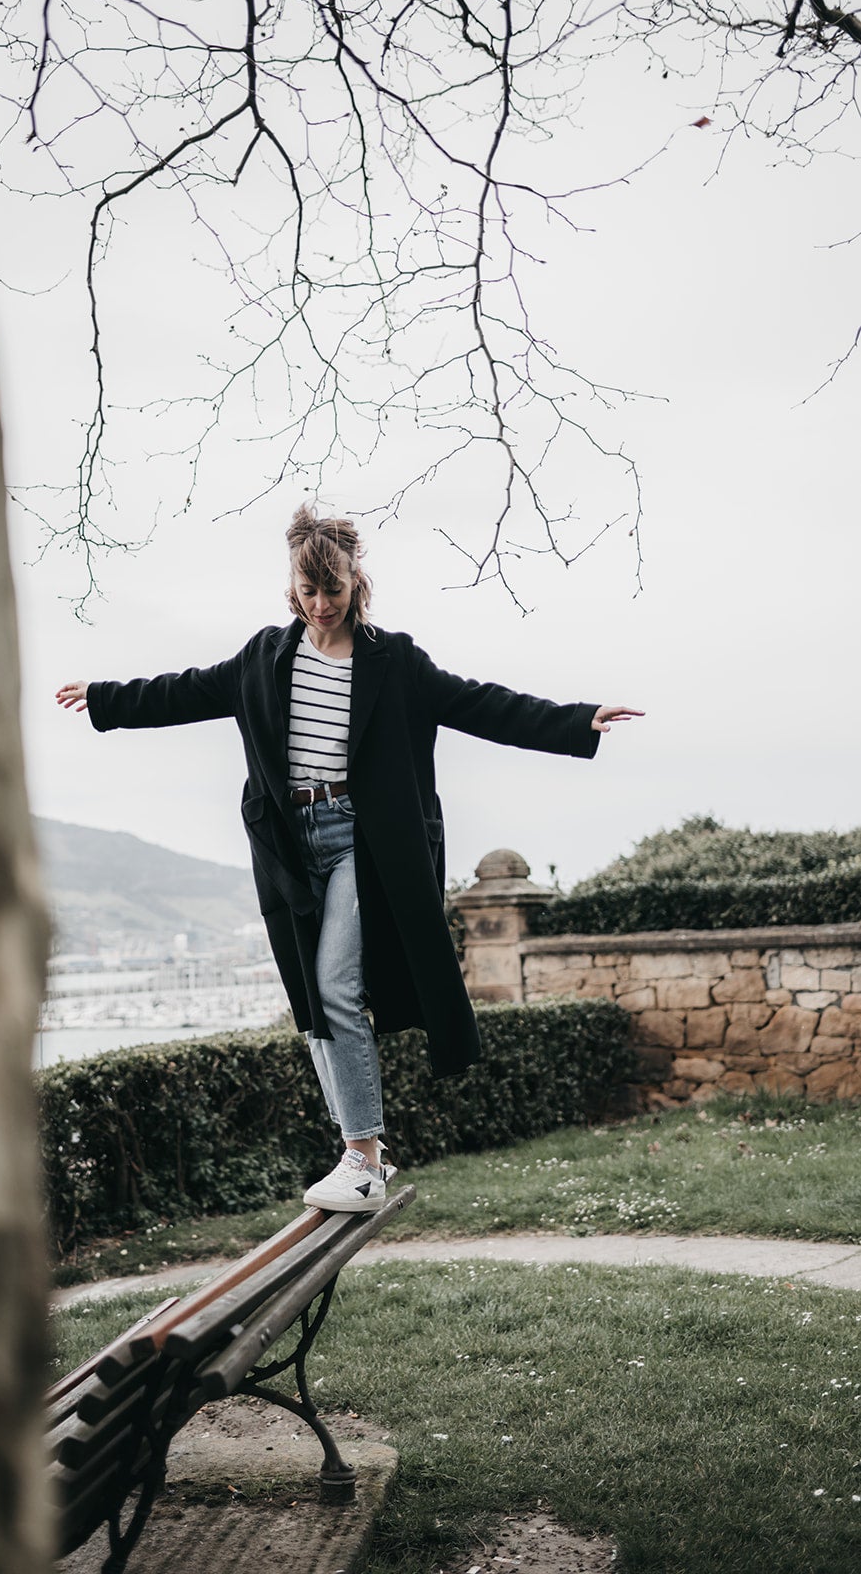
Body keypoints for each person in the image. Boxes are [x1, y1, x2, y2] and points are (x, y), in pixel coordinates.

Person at [56, 507, 642, 1213]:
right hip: (290, 848)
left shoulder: (393, 662)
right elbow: (184, 690)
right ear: (294, 589)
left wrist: (577, 720)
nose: (321, 605)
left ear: (355, 585)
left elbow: (481, 704)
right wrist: (105, 698)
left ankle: (361, 1158)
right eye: (308, 592)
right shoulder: (263, 658)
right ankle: (359, 1152)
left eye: (332, 592)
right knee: (312, 1003)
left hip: (363, 841)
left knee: (335, 984)